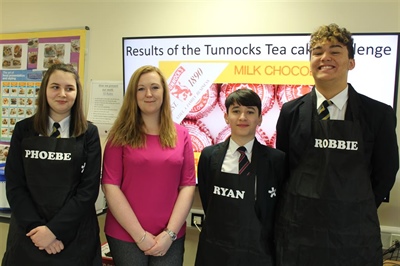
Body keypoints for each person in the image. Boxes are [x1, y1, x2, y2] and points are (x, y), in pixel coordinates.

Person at [275, 23, 399, 266]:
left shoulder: (378, 114)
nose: (325, 58)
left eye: (335, 51)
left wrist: (354, 205)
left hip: (353, 233)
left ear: (351, 62)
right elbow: (283, 169)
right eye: (318, 51)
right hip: (299, 232)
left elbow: (385, 172)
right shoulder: (290, 112)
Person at [2, 63, 102, 265]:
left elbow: (88, 190)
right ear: (45, 90)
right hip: (30, 234)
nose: (62, 94)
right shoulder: (23, 130)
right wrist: (39, 231)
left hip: (73, 238)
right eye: (55, 87)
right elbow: (15, 185)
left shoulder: (89, 133)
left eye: (69, 88)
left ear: (77, 93)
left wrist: (54, 230)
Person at [101, 65, 196, 266]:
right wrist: (140, 236)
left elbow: (187, 185)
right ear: (133, 95)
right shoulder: (119, 135)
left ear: (164, 92)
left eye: (155, 87)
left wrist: (169, 234)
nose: (149, 94)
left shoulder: (182, 134)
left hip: (170, 236)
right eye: (141, 89)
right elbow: (110, 186)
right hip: (126, 235)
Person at [195, 89, 286, 266]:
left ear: (260, 118)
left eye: (250, 112)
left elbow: (276, 209)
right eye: (236, 111)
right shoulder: (209, 156)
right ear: (226, 117)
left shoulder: (277, 160)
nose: (242, 117)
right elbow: (208, 200)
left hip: (257, 251)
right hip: (215, 250)